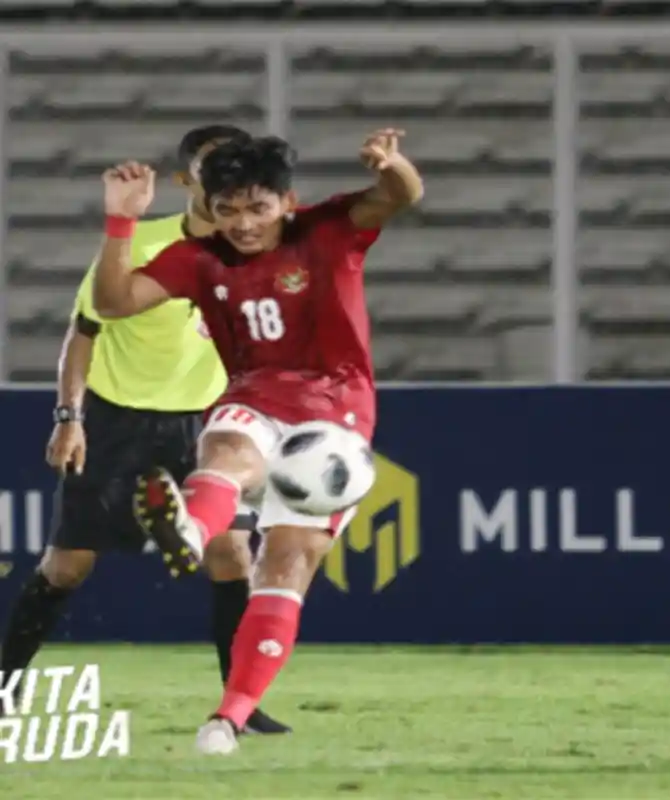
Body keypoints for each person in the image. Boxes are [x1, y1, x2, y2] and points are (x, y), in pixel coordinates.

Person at [90, 130, 423, 755]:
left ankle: (229, 717)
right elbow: (113, 303)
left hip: (336, 413)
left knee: (287, 564)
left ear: (287, 201)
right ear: (210, 209)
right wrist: (120, 222)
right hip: (253, 395)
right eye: (229, 210)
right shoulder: (198, 258)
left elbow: (401, 195)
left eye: (258, 208)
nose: (243, 224)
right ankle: (189, 529)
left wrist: (393, 164)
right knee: (228, 455)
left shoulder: (327, 229)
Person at [0, 125, 288, 735]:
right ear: (189, 182)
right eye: (215, 171)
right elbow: (85, 331)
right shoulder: (142, 245)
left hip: (208, 421)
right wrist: (69, 417)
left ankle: (239, 703)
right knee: (68, 564)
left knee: (233, 556)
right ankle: (7, 680)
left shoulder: (260, 255)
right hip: (118, 417)